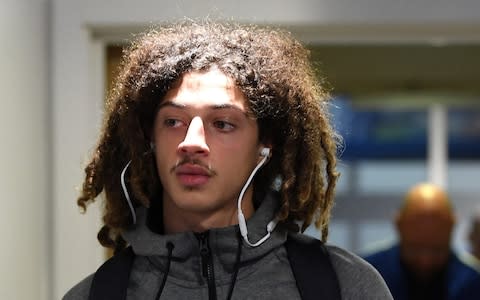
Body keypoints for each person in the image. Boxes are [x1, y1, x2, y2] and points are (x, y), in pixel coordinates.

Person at [63, 20, 392, 299]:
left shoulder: (343, 286)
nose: (191, 143)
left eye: (222, 124)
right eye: (173, 122)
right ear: (149, 137)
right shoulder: (97, 294)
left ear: (265, 143)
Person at [364, 182, 480, 300]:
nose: (425, 261)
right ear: (399, 225)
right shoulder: (365, 276)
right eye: (414, 249)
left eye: (437, 251)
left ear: (452, 227)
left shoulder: (473, 282)